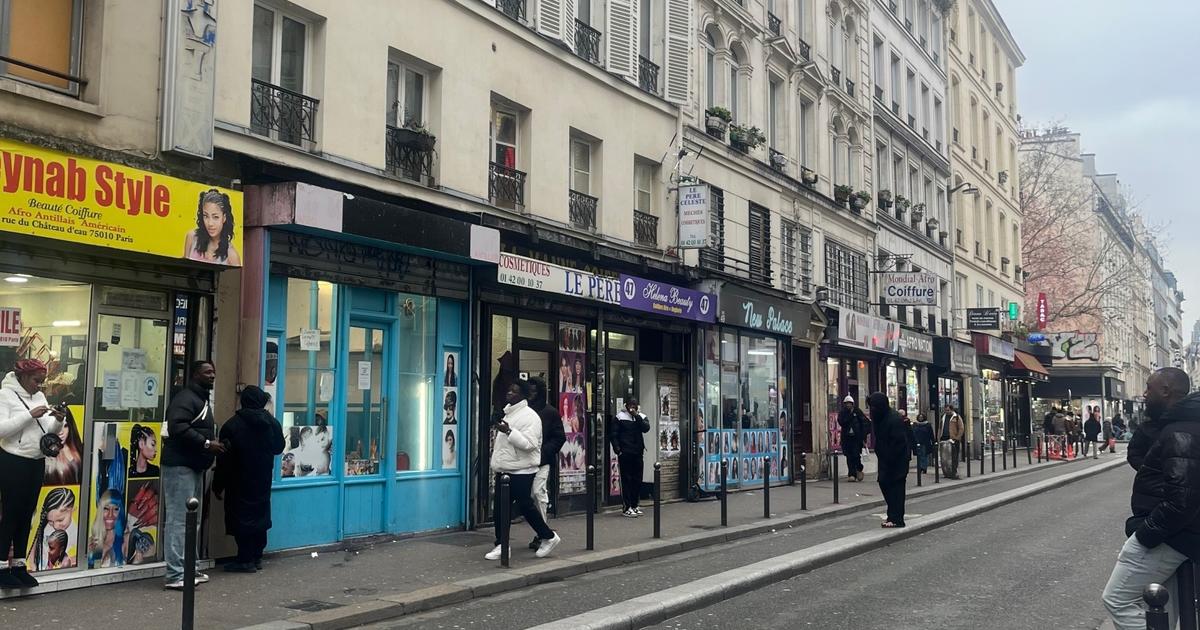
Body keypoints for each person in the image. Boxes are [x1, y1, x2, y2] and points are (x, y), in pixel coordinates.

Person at [1102, 368, 1200, 630]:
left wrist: (1145, 535)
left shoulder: (1181, 430)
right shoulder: (1180, 424)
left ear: (1165, 391)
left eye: (1149, 388)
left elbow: (1182, 500)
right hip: (1182, 534)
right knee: (1164, 609)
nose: (1144, 394)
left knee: (1118, 600)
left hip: (1171, 536)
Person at [0, 358, 65, 588]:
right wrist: (29, 414)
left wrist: (58, 420)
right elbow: (2, 429)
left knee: (27, 514)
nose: (40, 385)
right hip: (12, 460)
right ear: (24, 377)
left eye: (43, 381)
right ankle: (1, 567)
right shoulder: (5, 395)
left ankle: (19, 565)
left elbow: (48, 429)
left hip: (35, 461)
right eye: (37, 381)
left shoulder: (39, 396)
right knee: (11, 514)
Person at [162, 360, 225, 590]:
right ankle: (175, 573)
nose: (212, 375)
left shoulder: (198, 399)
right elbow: (177, 426)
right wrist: (207, 443)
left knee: (192, 520)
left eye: (214, 372)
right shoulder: (186, 399)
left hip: (193, 465)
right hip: (181, 466)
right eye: (207, 372)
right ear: (195, 375)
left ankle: (189, 567)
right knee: (180, 520)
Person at [213, 385, 285, 573]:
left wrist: (218, 484)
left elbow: (224, 458)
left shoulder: (232, 425)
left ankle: (244, 558)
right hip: (262, 478)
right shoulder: (272, 423)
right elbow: (279, 448)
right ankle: (256, 556)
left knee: (241, 517)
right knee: (260, 515)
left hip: (238, 479)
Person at [486, 381, 561, 560]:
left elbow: (530, 444)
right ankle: (501, 544)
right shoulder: (509, 412)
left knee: (525, 506)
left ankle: (549, 536)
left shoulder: (530, 417)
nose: (509, 393)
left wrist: (509, 431)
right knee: (500, 509)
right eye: (509, 390)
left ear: (523, 395)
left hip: (522, 469)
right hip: (506, 468)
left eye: (514, 391)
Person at [526, 377, 565, 550]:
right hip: (524, 461)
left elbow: (559, 437)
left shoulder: (550, 412)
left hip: (542, 461)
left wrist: (544, 452)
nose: (531, 395)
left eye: (534, 392)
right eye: (529, 392)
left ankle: (542, 533)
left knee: (538, 493)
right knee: (526, 498)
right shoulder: (524, 411)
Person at [868, 392, 910, 528]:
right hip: (886, 458)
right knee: (884, 483)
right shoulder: (880, 417)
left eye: (873, 407)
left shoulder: (893, 419)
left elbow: (899, 443)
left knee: (896, 488)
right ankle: (892, 515)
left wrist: (890, 458)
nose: (871, 410)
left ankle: (897, 518)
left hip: (896, 460)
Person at [612, 398, 651, 517]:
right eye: (630, 405)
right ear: (626, 405)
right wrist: (618, 450)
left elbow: (646, 428)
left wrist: (636, 416)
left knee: (637, 479)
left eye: (634, 405)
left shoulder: (641, 416)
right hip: (625, 452)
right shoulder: (619, 417)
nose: (632, 407)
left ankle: (635, 505)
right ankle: (627, 506)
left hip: (638, 452)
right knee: (626, 479)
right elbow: (613, 434)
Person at [184, 189, 242, 265]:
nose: (210, 223)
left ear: (224, 218)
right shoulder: (192, 237)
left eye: (215, 217)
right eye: (206, 216)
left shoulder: (232, 255)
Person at [29, 486, 77, 571]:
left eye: (60, 520)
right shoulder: (45, 526)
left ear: (73, 510)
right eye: (50, 521)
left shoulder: (75, 532)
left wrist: (67, 561)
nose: (55, 526)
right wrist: (33, 566)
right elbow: (35, 544)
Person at [44, 406, 83, 486]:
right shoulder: (42, 454)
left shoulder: (78, 450)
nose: (61, 432)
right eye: (56, 426)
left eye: (65, 426)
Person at [838, 395, 869, 482]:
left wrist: (863, 436)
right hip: (847, 438)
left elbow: (865, 423)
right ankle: (851, 474)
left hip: (856, 438)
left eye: (849, 403)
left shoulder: (857, 411)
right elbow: (841, 422)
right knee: (849, 456)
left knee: (856, 455)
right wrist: (850, 416)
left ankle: (859, 468)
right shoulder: (843, 413)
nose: (848, 405)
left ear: (852, 404)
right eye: (846, 403)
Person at [938, 404, 964, 479]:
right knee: (944, 458)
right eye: (945, 410)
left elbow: (961, 428)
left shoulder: (956, 417)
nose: (947, 412)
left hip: (953, 439)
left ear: (952, 410)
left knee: (954, 457)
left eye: (948, 410)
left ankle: (954, 473)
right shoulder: (943, 417)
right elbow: (940, 428)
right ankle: (946, 473)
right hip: (944, 439)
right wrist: (938, 438)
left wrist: (957, 438)